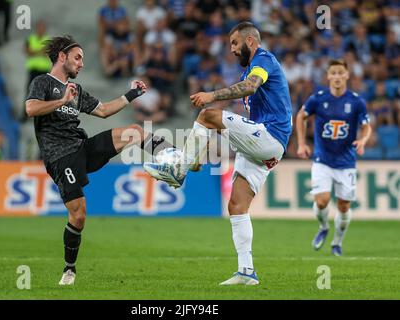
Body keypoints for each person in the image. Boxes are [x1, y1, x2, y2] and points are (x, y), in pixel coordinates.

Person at [144, 22, 293, 285]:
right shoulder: (250, 67)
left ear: (250, 41)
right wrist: (198, 157)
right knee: (237, 205)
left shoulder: (263, 59)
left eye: (235, 43)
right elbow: (226, 127)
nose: (232, 50)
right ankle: (247, 272)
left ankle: (178, 169)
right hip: (265, 148)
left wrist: (211, 95)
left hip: (271, 135)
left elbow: (250, 86)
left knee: (207, 114)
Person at [25, 35, 173, 286]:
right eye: (78, 57)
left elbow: (103, 110)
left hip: (82, 147)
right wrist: (61, 101)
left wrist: (131, 94)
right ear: (62, 57)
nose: (82, 64)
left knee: (134, 132)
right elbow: (30, 109)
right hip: (60, 157)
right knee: (79, 216)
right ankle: (69, 269)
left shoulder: (77, 90)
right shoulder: (43, 82)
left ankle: (174, 156)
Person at [296, 59, 372, 256]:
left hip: (346, 162)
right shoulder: (318, 99)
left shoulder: (356, 101)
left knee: (343, 205)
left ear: (347, 75)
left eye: (341, 73)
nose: (337, 77)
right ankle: (323, 227)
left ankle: (337, 242)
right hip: (323, 159)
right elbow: (300, 116)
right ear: (328, 76)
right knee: (321, 201)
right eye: (333, 73)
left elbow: (366, 125)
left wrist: (363, 140)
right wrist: (302, 143)